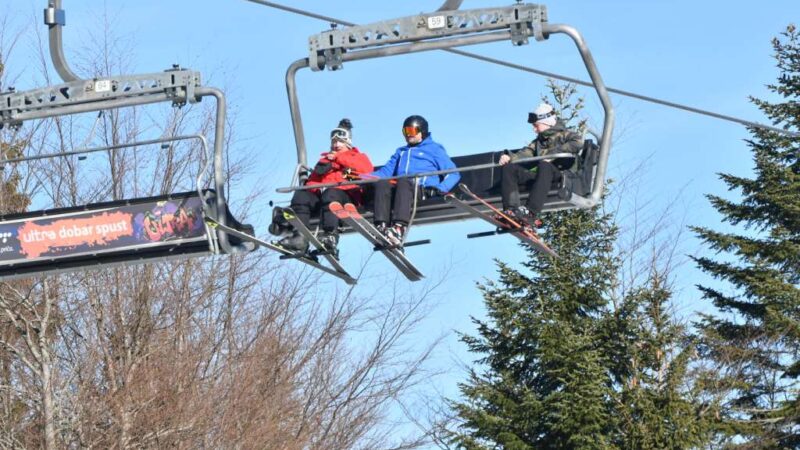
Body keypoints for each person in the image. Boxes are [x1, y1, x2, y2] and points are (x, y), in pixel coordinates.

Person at [273, 118, 373, 255]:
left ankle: (330, 235)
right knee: (302, 193)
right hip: (325, 196)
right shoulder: (325, 161)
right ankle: (300, 238)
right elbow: (313, 182)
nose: (336, 145)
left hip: (347, 195)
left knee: (331, 193)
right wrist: (311, 191)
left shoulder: (357, 157)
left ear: (348, 143)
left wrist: (339, 160)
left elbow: (365, 172)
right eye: (334, 142)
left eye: (340, 142)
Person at [370, 115, 460, 246]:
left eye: (411, 131)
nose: (408, 135)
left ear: (421, 131)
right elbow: (385, 172)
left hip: (420, 190)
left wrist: (440, 189)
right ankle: (381, 227)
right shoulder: (401, 152)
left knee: (404, 181)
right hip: (400, 191)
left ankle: (399, 228)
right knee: (382, 183)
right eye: (405, 132)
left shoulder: (434, 149)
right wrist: (361, 177)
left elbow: (453, 173)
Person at [497, 102, 582, 227]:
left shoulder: (565, 135)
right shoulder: (538, 142)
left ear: (546, 122)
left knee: (544, 165)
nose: (534, 129)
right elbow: (527, 152)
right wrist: (510, 157)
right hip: (541, 175)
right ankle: (511, 210)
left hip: (560, 173)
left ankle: (531, 211)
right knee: (510, 168)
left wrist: (552, 154)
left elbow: (578, 143)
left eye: (536, 125)